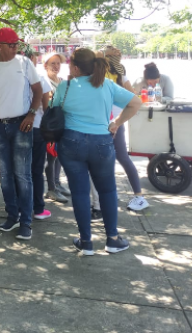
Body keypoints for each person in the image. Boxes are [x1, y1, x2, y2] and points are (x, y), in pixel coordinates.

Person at [52, 48, 141, 255]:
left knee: (80, 192)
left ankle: (86, 242)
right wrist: (116, 123)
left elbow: (53, 108)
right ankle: (112, 239)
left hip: (71, 142)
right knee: (108, 190)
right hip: (101, 142)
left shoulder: (64, 87)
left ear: (75, 67)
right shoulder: (107, 85)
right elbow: (136, 103)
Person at [0, 29, 42, 240]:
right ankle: (12, 215)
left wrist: (32, 114)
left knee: (23, 175)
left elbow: (38, 90)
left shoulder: (24, 64)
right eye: (11, 45)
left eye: (17, 45)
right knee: (5, 175)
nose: (16, 48)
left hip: (21, 126)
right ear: (0, 45)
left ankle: (26, 222)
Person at [101, 46, 148, 212]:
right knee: (120, 157)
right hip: (116, 120)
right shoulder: (120, 74)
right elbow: (132, 96)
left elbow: (132, 97)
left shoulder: (102, 74)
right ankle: (137, 195)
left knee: (109, 159)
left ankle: (135, 196)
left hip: (108, 121)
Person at [22, 45, 57, 219]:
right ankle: (38, 208)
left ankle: (20, 206)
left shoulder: (14, 78)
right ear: (32, 60)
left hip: (19, 129)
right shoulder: (40, 79)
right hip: (36, 129)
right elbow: (46, 106)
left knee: (20, 170)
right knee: (36, 170)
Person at [41, 52, 71, 203]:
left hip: (61, 123)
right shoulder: (44, 82)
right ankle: (51, 189)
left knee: (58, 155)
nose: (56, 66)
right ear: (45, 65)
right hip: (50, 124)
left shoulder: (62, 81)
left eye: (58, 63)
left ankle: (57, 183)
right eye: (53, 63)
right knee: (51, 157)